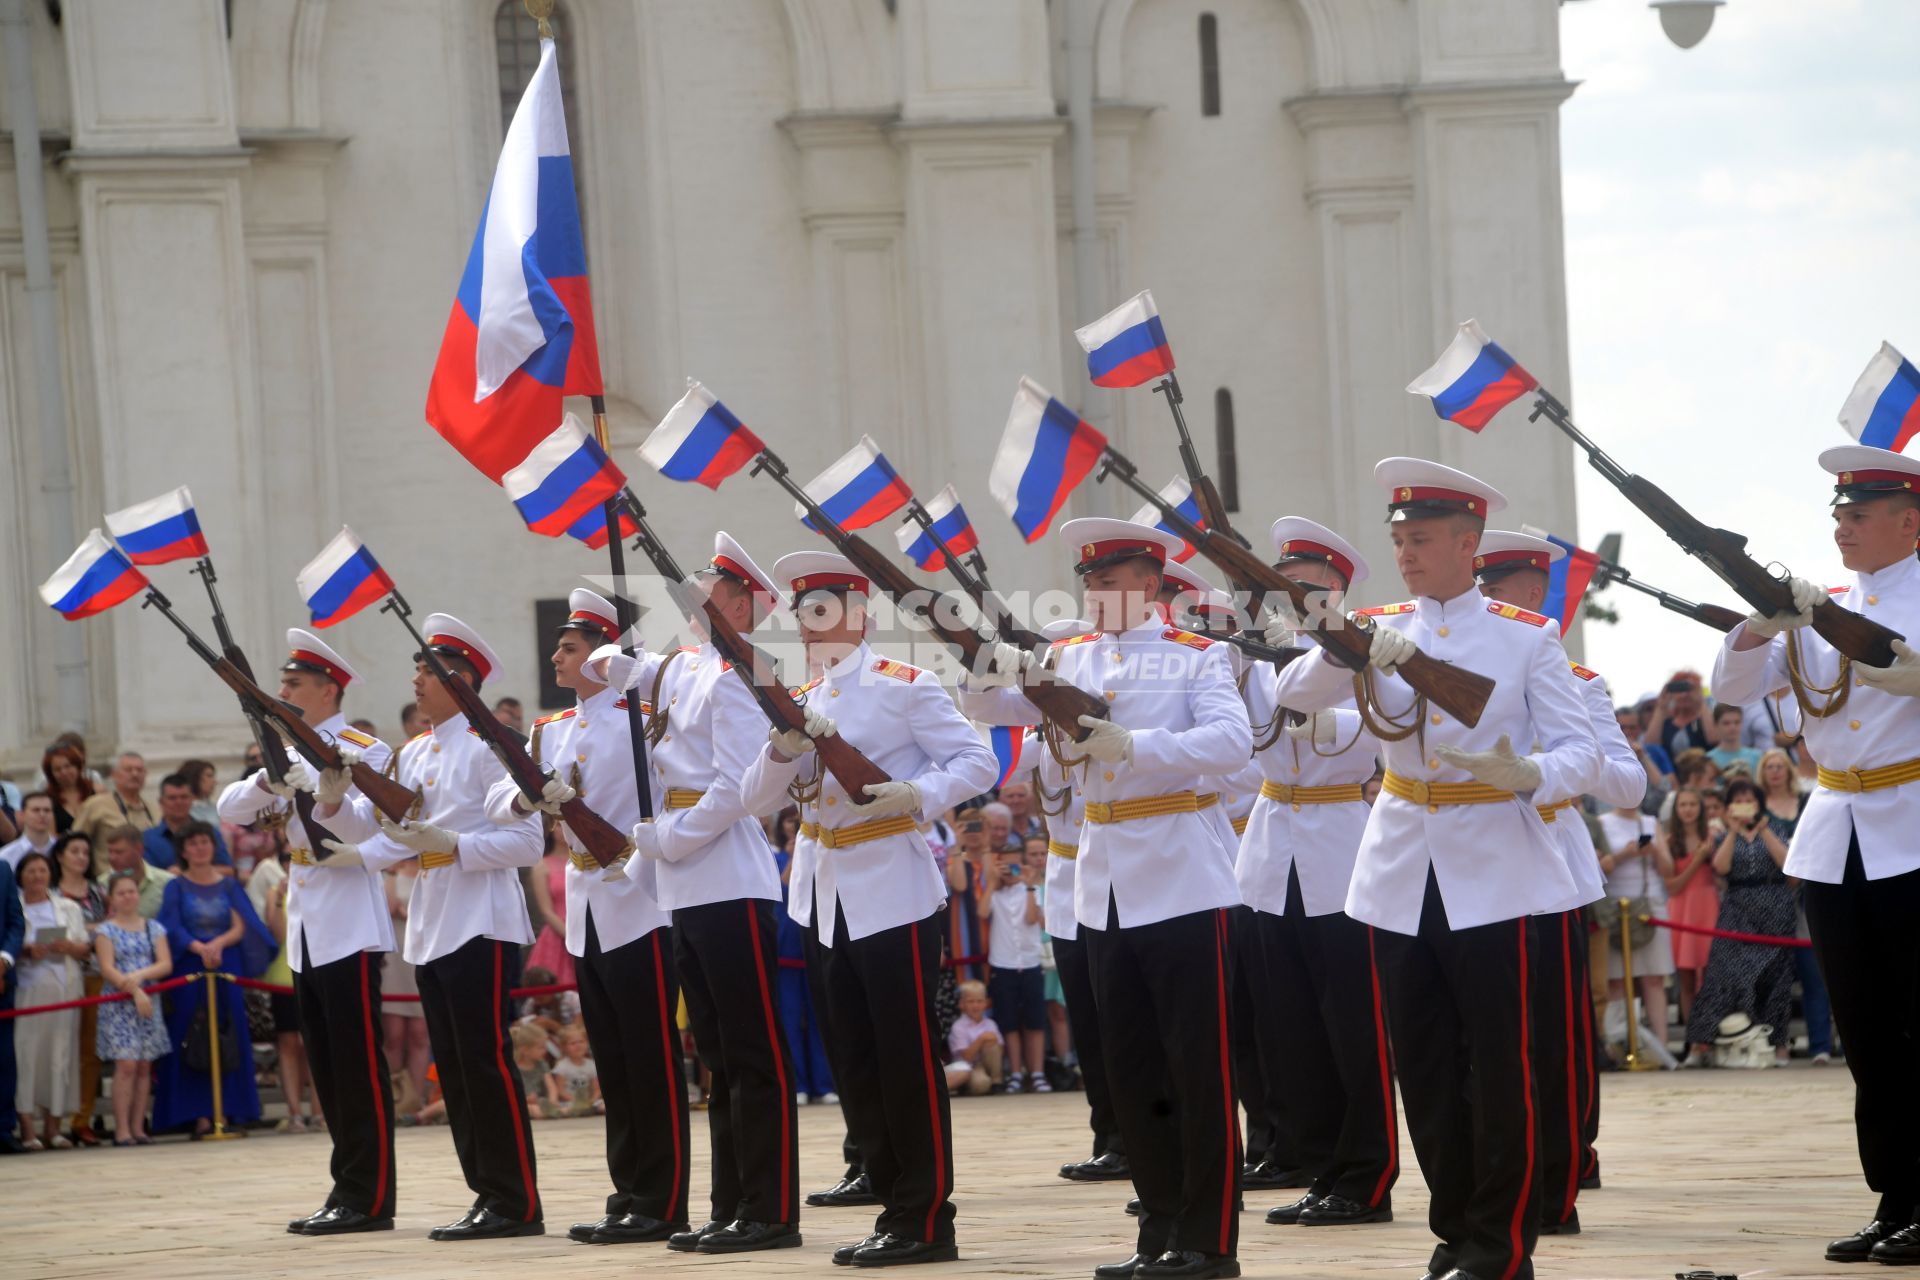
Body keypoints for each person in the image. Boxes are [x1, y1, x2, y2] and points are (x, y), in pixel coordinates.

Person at [1269, 459, 1599, 1280]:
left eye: (1421, 539)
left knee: (1503, 1067)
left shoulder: (1528, 637)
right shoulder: (1378, 622)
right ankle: (1453, 1230)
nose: (1407, 553)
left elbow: (1581, 752)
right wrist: (1346, 641)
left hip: (1497, 864)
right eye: (1399, 540)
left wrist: (1532, 776)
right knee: (1422, 1066)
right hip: (1399, 864)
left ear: (1467, 543)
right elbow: (1299, 695)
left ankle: (1500, 1243)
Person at [966, 519, 1250, 1280]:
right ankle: (1158, 1229)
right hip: (1103, 888)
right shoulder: (1067, 658)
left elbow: (1232, 745)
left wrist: (1139, 747)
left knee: (1198, 1070)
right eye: (1090, 582)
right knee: (1131, 1073)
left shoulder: (1198, 657)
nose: (1098, 594)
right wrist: (980, 655)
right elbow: (987, 711)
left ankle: (1209, 1240)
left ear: (1151, 587)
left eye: (1113, 580)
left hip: (1185, 874)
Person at [743, 549, 997, 1268]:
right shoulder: (798, 695)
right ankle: (891, 1206)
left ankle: (925, 1218)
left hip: (892, 886)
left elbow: (979, 763)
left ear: (859, 616)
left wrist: (917, 795)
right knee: (854, 1060)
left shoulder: (905, 686)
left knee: (905, 1061)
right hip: (823, 893)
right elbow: (756, 802)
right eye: (803, 614)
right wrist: (778, 748)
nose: (810, 625)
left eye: (823, 611)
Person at [323, 613, 546, 1241]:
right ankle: (487, 1194)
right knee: (453, 1065)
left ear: (460, 679)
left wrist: (452, 844)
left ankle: (514, 1201)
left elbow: (528, 841)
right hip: (433, 921)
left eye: (428, 670)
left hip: (482, 919)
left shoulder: (491, 745)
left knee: (483, 1062)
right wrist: (336, 803)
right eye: (419, 669)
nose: (416, 679)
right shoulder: (416, 751)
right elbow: (384, 833)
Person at [488, 588, 687, 1248]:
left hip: (638, 894)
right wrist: (528, 797)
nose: (556, 656)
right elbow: (499, 799)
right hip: (587, 906)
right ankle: (628, 1192)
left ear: (602, 654)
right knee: (615, 1060)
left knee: (652, 1059)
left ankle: (664, 1200)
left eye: (569, 648)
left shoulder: (642, 715)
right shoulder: (549, 730)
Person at [1242, 518, 1397, 1231]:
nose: (1291, 597)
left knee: (1354, 1028)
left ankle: (1368, 1176)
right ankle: (1317, 1165)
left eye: (1305, 586)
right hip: (1274, 850)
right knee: (1293, 1028)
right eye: (1285, 584)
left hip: (1340, 842)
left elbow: (1383, 727)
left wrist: (1320, 725)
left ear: (1336, 591)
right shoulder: (1254, 650)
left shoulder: (1365, 648)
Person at [220, 629, 400, 1234]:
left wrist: (325, 795)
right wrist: (273, 780)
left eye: (293, 684)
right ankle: (345, 1187)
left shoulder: (362, 749)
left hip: (348, 919)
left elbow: (368, 831)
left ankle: (370, 1196)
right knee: (326, 1064)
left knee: (357, 1065)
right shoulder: (286, 753)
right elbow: (229, 808)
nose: (282, 692)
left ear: (327, 690)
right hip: (305, 922)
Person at [1027, 618, 1131, 1186]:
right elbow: (1011, 767)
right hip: (1065, 871)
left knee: (1119, 1012)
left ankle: (1131, 1135)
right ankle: (1107, 1133)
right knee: (1086, 1016)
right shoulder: (1042, 727)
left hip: (1105, 861)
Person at [152, 823, 273, 1136]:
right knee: (189, 1035)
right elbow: (171, 927)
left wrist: (217, 944)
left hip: (224, 962)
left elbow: (241, 923)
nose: (200, 848)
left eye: (205, 842)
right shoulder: (175, 887)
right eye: (193, 843)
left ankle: (229, 1110)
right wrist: (198, 946)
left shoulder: (230, 885)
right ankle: (199, 1114)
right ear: (184, 850)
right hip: (190, 967)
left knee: (230, 1035)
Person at [1681, 776, 1796, 1065]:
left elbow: (1786, 863)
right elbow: (1720, 867)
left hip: (1775, 905)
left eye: (1749, 800)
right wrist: (1733, 832)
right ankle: (1699, 1045)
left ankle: (1778, 1044)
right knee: (1721, 974)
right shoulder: (1720, 835)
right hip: (1737, 906)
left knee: (1777, 977)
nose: (1744, 805)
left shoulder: (1776, 828)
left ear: (1758, 804)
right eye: (1738, 801)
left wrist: (1763, 831)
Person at [12, 851, 89, 1148]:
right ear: (21, 876)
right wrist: (27, 950)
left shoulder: (67, 907)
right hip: (28, 991)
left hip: (64, 989)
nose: (37, 876)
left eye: (42, 870)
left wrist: (68, 946)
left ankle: (54, 1127)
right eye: (30, 871)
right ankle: (28, 1129)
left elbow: (85, 947)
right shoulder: (13, 907)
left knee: (60, 1056)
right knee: (27, 1055)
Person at [94, 872, 172, 1145]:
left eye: (132, 891)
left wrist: (140, 976)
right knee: (126, 1064)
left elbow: (165, 964)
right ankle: (122, 1129)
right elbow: (107, 968)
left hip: (148, 1002)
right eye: (121, 893)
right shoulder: (106, 930)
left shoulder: (153, 928)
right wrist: (134, 989)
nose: (128, 896)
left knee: (143, 1065)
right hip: (120, 1003)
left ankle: (139, 1126)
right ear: (112, 898)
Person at [1597, 799, 1675, 1053]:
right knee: (1616, 981)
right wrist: (1625, 855)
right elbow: (1599, 867)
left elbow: (1668, 869)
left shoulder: (1650, 822)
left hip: (1649, 904)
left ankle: (1661, 1047)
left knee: (1654, 979)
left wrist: (1654, 851)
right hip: (1615, 905)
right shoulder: (1602, 822)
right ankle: (1622, 1045)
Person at [772, 809, 835, 1106]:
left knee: (820, 1015)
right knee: (790, 1018)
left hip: (814, 942)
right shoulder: (776, 857)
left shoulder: (821, 847)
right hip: (785, 949)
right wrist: (795, 854)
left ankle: (823, 1084)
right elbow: (783, 887)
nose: (793, 825)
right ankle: (797, 1083)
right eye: (788, 820)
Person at [52, 833, 106, 1146]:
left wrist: (86, 936)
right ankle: (54, 1120)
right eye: (74, 851)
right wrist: (88, 935)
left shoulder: (98, 892)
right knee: (61, 1048)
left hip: (96, 975)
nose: (81, 857)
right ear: (60, 856)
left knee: (89, 1051)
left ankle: (82, 1117)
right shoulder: (50, 892)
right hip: (61, 976)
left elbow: (109, 929)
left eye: (85, 851)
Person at [980, 846, 1047, 1093]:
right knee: (1008, 1023)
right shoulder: (995, 894)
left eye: (1015, 866)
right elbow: (982, 911)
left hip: (1030, 962)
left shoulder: (1031, 890)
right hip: (1003, 963)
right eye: (1006, 866)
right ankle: (1016, 1073)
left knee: (1035, 1022)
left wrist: (1028, 883)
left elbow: (1032, 919)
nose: (1011, 871)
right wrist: (994, 881)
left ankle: (1038, 1073)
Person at [1663, 788, 1721, 1031]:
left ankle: (1711, 1033)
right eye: (1683, 805)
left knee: (1711, 978)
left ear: (1701, 809)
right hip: (1681, 909)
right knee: (1686, 979)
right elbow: (1673, 886)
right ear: (1676, 810)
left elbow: (1721, 875)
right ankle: (1693, 1035)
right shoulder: (1668, 841)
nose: (1687, 810)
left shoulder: (1713, 836)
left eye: (1692, 805)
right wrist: (1698, 859)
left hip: (1708, 906)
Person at [145, 774, 232, 870]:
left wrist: (188, 874)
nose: (179, 802)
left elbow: (227, 870)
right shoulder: (147, 839)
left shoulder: (210, 833)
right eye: (172, 798)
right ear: (161, 802)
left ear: (192, 799)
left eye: (184, 797)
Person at [523, 830, 575, 990]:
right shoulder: (542, 865)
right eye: (558, 824)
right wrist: (571, 936)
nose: (563, 829)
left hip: (587, 927)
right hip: (558, 933)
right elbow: (546, 911)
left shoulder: (585, 860)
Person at [75, 753, 156, 852]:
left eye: (140, 770)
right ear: (114, 775)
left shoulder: (156, 809)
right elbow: (75, 842)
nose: (135, 774)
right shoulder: (95, 805)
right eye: (128, 770)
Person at [96, 825, 172, 919]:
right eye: (110, 852)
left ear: (139, 849)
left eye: (119, 852)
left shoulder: (167, 882)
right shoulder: (101, 885)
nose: (112, 858)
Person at [944, 980, 1005, 1095]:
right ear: (961, 1004)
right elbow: (966, 1057)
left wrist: (988, 1043)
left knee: (993, 1045)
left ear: (986, 1003)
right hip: (968, 1067)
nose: (975, 1005)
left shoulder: (991, 1024)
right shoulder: (958, 1027)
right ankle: (964, 1085)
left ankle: (997, 1081)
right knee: (981, 1084)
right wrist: (981, 1039)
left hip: (986, 1064)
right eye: (971, 1001)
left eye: (979, 1001)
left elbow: (1000, 1049)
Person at [1646, 671, 1711, 763]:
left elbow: (1714, 739)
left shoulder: (1704, 720)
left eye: (1689, 689)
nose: (1684, 695)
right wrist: (1661, 706)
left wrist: (1701, 702)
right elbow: (1651, 745)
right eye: (1680, 690)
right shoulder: (1667, 723)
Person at [545, 1025, 601, 1118]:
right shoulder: (562, 1066)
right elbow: (560, 1090)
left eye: (581, 1041)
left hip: (588, 1101)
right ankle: (572, 1111)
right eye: (573, 1043)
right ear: (564, 1047)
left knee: (602, 1105)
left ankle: (585, 1109)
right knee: (565, 1109)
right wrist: (575, 1100)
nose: (578, 1045)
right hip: (570, 1101)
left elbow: (596, 1088)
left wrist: (592, 1100)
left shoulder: (592, 1064)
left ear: (587, 1043)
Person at [40, 746, 94, 836]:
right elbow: (51, 836)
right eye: (57, 769)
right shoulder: (47, 800)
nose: (64, 772)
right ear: (51, 774)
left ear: (78, 766)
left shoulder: (96, 792)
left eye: (68, 766)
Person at [1, 793, 58, 868]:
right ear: (21, 815)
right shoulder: (6, 856)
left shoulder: (61, 849)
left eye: (47, 810)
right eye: (36, 810)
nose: (42, 814)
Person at [1706, 705, 1763, 778]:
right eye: (1726, 723)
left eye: (1737, 722)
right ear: (1716, 724)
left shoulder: (1757, 757)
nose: (1732, 727)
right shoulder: (1709, 760)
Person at [178, 760, 221, 827]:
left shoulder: (216, 808)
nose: (215, 782)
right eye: (209, 776)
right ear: (194, 777)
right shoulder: (181, 810)